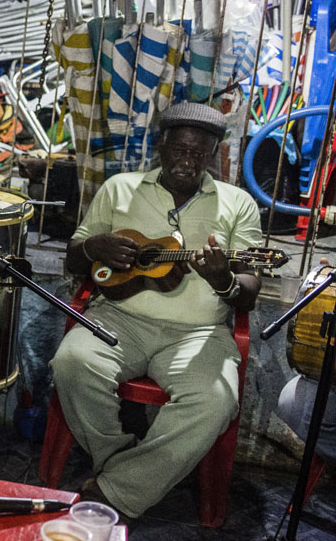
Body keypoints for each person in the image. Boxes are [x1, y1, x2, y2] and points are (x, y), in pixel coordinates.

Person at [49, 101, 263, 519]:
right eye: (180, 150)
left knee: (216, 401)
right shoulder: (119, 188)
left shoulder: (238, 204)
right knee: (72, 362)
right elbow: (75, 257)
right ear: (160, 147)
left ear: (212, 157)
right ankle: (125, 465)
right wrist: (95, 247)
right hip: (119, 318)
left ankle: (113, 490)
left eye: (199, 154)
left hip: (198, 335)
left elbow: (249, 290)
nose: (188, 162)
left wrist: (223, 279)